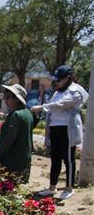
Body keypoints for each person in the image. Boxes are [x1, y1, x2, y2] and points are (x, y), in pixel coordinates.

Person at [30, 65, 88, 200]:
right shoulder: (58, 92)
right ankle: (52, 187)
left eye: (59, 80)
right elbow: (53, 105)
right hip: (55, 128)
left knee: (68, 159)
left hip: (67, 128)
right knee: (55, 159)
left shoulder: (75, 91)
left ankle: (69, 188)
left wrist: (41, 107)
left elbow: (61, 104)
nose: (57, 82)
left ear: (68, 78)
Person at [0, 84, 34, 184]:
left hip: (12, 158)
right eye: (5, 96)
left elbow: (9, 137)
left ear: (17, 99)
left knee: (6, 185)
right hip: (23, 157)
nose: (5, 100)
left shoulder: (16, 115)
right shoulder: (27, 113)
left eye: (8, 97)